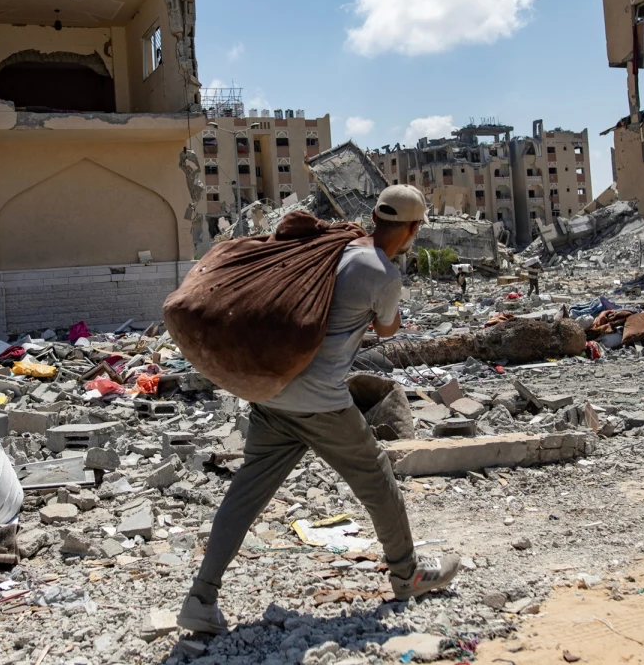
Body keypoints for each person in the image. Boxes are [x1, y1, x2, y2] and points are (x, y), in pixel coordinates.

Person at [176, 185, 460, 636]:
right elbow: (387, 332)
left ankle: (201, 597)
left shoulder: (337, 246)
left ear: (375, 218)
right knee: (378, 481)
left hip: (272, 392)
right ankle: (408, 576)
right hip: (322, 403)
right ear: (411, 229)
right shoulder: (382, 272)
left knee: (245, 495)